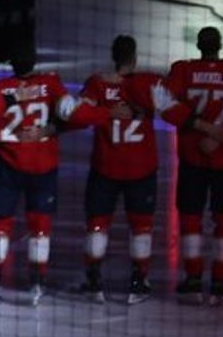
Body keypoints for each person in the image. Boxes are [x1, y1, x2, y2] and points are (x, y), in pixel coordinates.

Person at [154, 24, 223, 302]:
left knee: (190, 219)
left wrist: (200, 126)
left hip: (193, 157)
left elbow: (161, 102)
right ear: (220, 45)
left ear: (199, 45)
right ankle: (220, 280)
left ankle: (193, 277)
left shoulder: (183, 70)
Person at [0, 52, 77, 302]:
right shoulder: (51, 84)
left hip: (8, 165)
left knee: (0, 225)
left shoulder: (1, 88)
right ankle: (37, 284)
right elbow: (72, 114)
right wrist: (51, 129)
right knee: (40, 227)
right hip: (43, 167)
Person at [70, 34, 164, 300]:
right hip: (141, 169)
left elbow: (77, 113)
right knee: (141, 226)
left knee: (98, 225)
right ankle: (138, 282)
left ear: (113, 56)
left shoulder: (97, 83)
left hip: (105, 167)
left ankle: (94, 281)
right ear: (134, 57)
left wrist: (106, 112)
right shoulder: (149, 84)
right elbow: (174, 106)